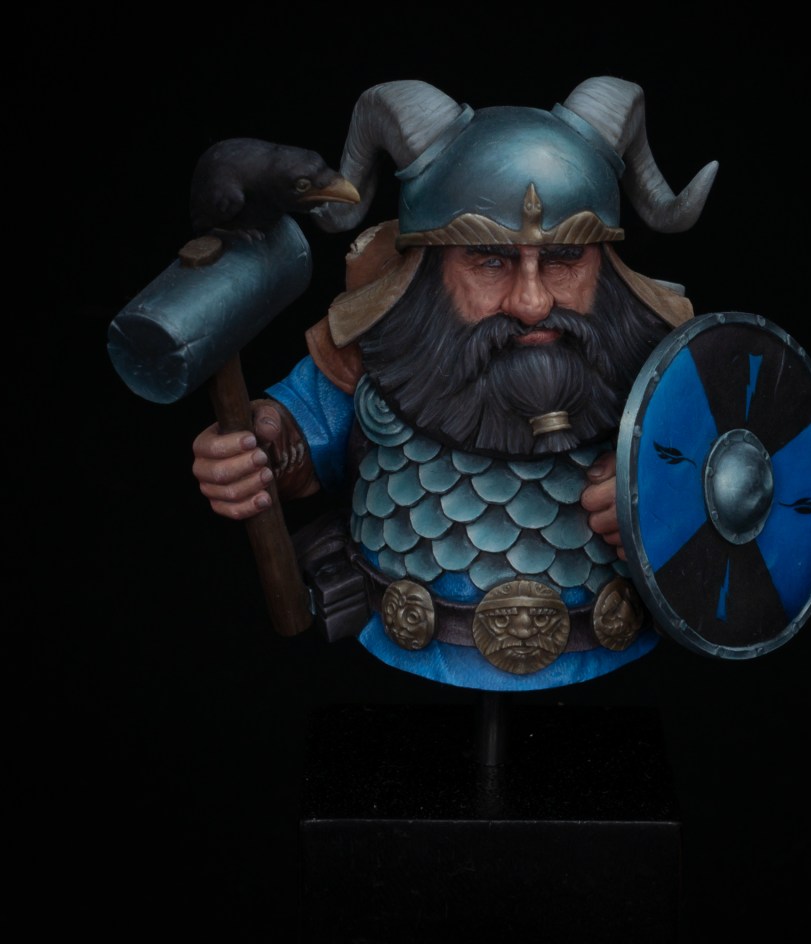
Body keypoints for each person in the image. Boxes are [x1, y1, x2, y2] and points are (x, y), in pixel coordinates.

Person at [191, 77, 717, 691]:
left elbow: (730, 485)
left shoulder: (660, 366)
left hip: (607, 663)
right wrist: (258, 447)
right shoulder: (374, 352)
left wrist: (668, 502)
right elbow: (291, 438)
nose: (531, 301)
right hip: (409, 662)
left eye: (564, 258)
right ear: (429, 267)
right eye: (489, 260)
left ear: (604, 260)